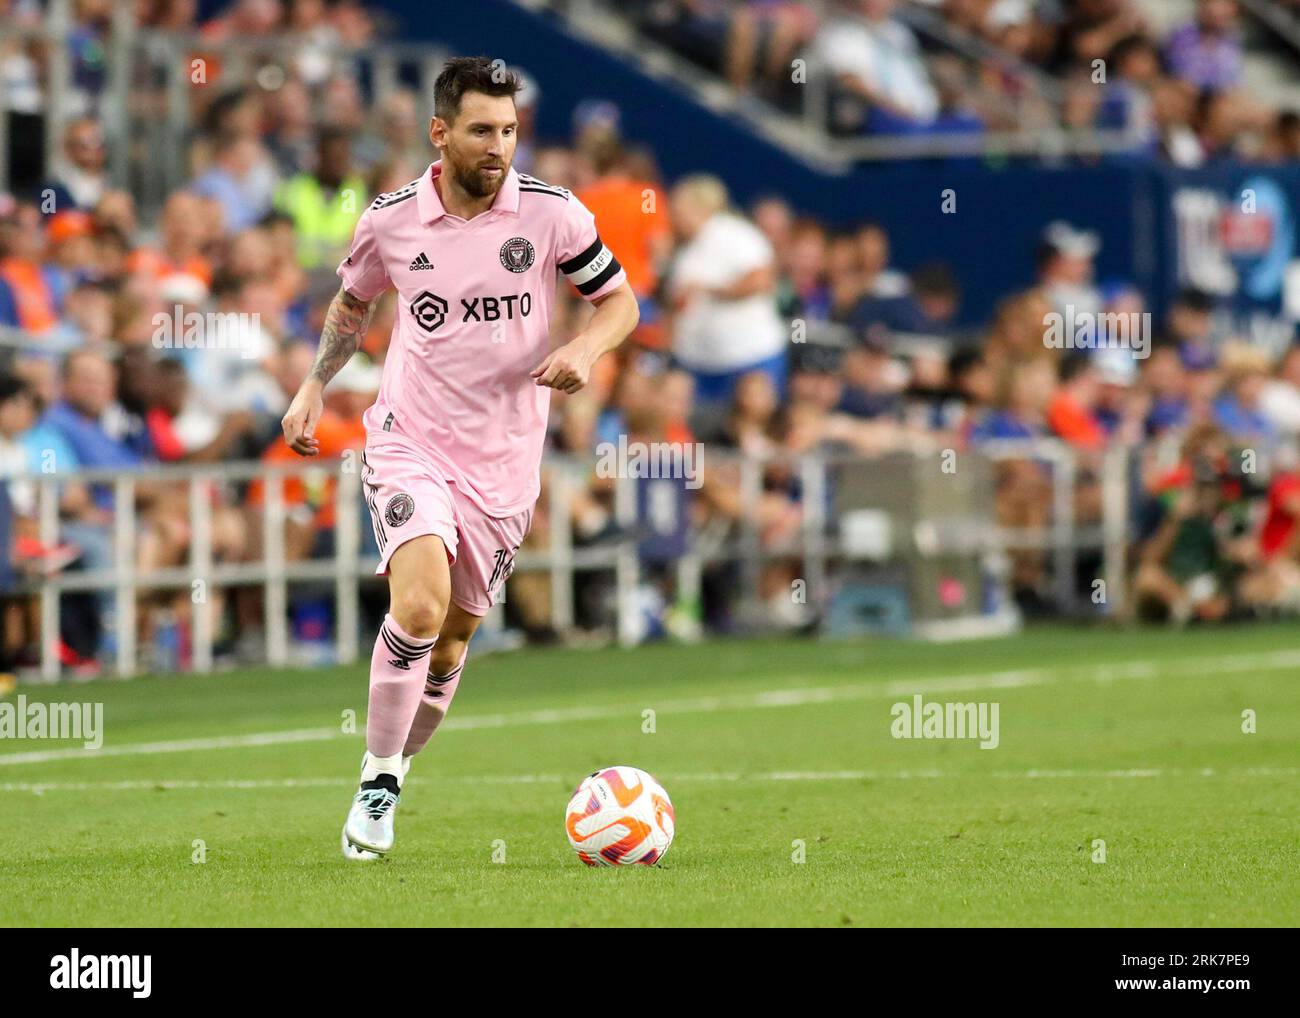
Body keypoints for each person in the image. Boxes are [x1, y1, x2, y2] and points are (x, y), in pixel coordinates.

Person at [279, 56, 638, 860]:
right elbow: (353, 301)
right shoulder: (392, 219)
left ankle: (395, 769)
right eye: (482, 130)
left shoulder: (551, 214)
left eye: (509, 131)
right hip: (411, 440)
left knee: (449, 644)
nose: (499, 147)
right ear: (440, 133)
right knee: (418, 606)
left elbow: (620, 301)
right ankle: (377, 781)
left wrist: (586, 348)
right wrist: (311, 386)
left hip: (505, 463)